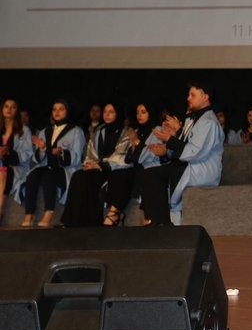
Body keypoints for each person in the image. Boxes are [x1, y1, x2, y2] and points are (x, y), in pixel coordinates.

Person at [136, 83, 224, 226]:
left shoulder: (208, 122)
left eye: (193, 95)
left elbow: (195, 153)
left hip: (201, 169)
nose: (188, 98)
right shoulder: (195, 119)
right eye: (188, 95)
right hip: (190, 165)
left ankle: (161, 224)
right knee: (149, 174)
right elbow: (185, 147)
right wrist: (172, 140)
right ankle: (159, 222)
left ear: (205, 97)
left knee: (153, 175)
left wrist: (170, 140)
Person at [61, 102, 131, 227]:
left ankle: (94, 220)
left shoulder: (126, 131)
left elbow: (122, 156)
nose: (107, 114)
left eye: (111, 112)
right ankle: (75, 221)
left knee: (93, 177)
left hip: (116, 168)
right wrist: (90, 164)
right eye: (105, 111)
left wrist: (100, 166)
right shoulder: (100, 130)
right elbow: (91, 151)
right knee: (79, 176)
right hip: (100, 168)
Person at [22, 99, 86, 227]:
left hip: (66, 168)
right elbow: (37, 160)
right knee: (32, 176)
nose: (57, 112)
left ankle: (49, 212)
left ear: (67, 112)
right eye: (54, 109)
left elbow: (77, 157)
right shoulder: (45, 131)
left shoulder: (76, 131)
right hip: (47, 166)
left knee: (48, 176)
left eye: (61, 109)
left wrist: (62, 153)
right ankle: (29, 212)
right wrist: (42, 148)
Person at [104, 101, 157, 225]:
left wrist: (137, 142)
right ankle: (114, 212)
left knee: (125, 176)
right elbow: (130, 157)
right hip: (136, 167)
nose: (139, 115)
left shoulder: (157, 130)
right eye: (137, 113)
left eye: (143, 112)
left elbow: (150, 155)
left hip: (150, 167)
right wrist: (133, 148)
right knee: (117, 174)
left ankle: (113, 215)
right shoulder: (137, 130)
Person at [1, 99, 33, 201]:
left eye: (13, 107)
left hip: (17, 167)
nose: (9, 109)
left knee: (2, 174)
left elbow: (28, 153)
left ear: (17, 111)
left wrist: (8, 152)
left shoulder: (24, 130)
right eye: (6, 106)